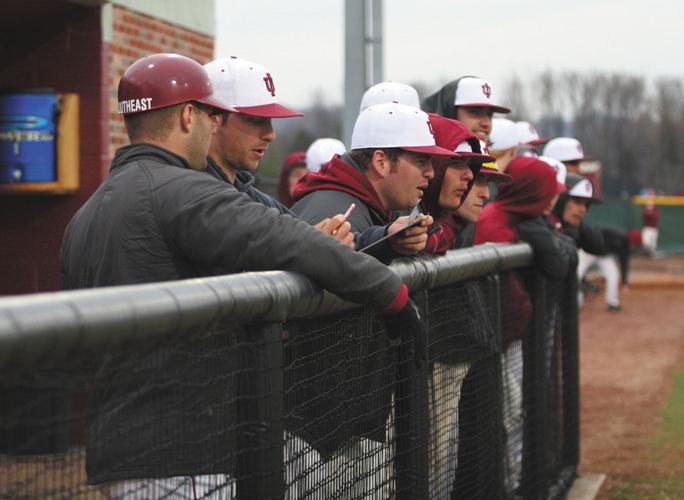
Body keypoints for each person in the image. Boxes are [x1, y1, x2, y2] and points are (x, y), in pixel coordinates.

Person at [59, 53, 425, 498]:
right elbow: (292, 241)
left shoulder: (86, 213)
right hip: (188, 451)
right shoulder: (186, 190)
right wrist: (393, 296)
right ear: (192, 116)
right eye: (216, 115)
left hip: (120, 445)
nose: (267, 134)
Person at [474, 156, 572, 493]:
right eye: (547, 191)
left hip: (503, 336)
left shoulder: (514, 219)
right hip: (492, 339)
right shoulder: (493, 220)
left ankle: (513, 484)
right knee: (506, 417)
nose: (551, 200)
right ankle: (510, 486)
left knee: (513, 414)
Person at [292, 102, 458, 263]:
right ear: (381, 162)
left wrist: (390, 242)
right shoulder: (337, 212)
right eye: (421, 161)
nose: (431, 173)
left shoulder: (356, 201)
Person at [422, 76, 511, 143]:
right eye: (475, 112)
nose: (486, 123)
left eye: (489, 114)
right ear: (449, 113)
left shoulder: (488, 162)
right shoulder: (429, 163)